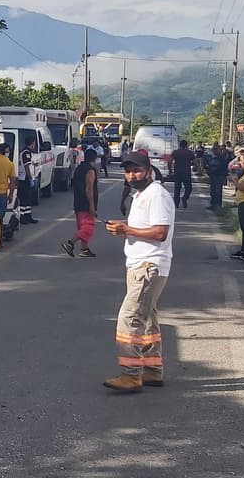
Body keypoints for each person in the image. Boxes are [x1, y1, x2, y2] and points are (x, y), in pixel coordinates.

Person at [104, 153, 175, 393]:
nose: (132, 175)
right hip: (140, 265)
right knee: (147, 319)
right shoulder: (141, 195)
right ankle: (153, 370)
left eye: (136, 170)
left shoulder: (156, 195)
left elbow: (160, 233)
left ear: (148, 170)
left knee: (129, 317)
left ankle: (130, 375)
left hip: (149, 266)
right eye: (128, 171)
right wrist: (126, 230)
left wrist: (127, 229)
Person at [62, 148, 100, 258]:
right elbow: (89, 188)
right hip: (86, 203)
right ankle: (70, 243)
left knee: (82, 227)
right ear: (95, 158)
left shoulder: (79, 168)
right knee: (89, 227)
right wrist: (91, 205)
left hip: (78, 201)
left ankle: (84, 248)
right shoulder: (90, 170)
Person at [17, 136, 39, 224]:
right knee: (24, 198)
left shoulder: (25, 152)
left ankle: (28, 216)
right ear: (32, 143)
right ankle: (22, 217)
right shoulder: (26, 153)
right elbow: (26, 166)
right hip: (25, 177)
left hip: (24, 177)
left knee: (28, 199)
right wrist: (30, 179)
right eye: (34, 143)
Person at [170, 139, 195, 208]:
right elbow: (194, 161)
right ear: (186, 145)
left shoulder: (175, 152)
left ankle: (176, 204)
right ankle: (185, 198)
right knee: (188, 188)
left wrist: (170, 170)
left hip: (177, 172)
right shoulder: (189, 153)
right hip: (186, 172)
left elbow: (170, 161)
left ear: (179, 145)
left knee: (177, 188)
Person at [205, 145, 229, 210]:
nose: (214, 151)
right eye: (214, 149)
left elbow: (224, 167)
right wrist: (208, 171)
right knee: (212, 191)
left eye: (216, 149)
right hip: (213, 175)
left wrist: (224, 176)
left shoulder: (221, 157)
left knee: (217, 191)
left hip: (219, 175)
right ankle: (213, 204)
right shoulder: (211, 157)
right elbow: (208, 165)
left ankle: (218, 205)